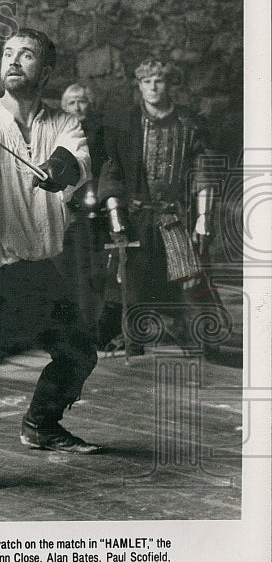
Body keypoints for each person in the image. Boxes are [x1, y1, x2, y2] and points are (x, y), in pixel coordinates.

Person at [0, 28, 100, 505]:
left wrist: (61, 170)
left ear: (44, 71)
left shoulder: (64, 123)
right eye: (8, 54)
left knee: (79, 349)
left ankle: (42, 425)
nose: (13, 61)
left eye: (25, 55)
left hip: (34, 258)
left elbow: (75, 160)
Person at [98, 60, 224, 359]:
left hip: (174, 217)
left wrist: (204, 219)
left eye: (159, 81)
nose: (153, 87)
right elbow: (112, 171)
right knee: (133, 285)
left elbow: (202, 171)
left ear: (170, 85)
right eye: (146, 82)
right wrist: (116, 216)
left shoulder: (188, 124)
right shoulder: (126, 124)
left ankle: (205, 348)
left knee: (191, 281)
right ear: (139, 85)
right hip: (136, 218)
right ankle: (134, 348)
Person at [54, 83, 112, 343]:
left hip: (95, 209)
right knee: (67, 271)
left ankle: (95, 328)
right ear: (63, 108)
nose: (77, 107)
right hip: (65, 210)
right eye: (71, 103)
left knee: (93, 272)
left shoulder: (101, 134)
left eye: (82, 101)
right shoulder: (58, 134)